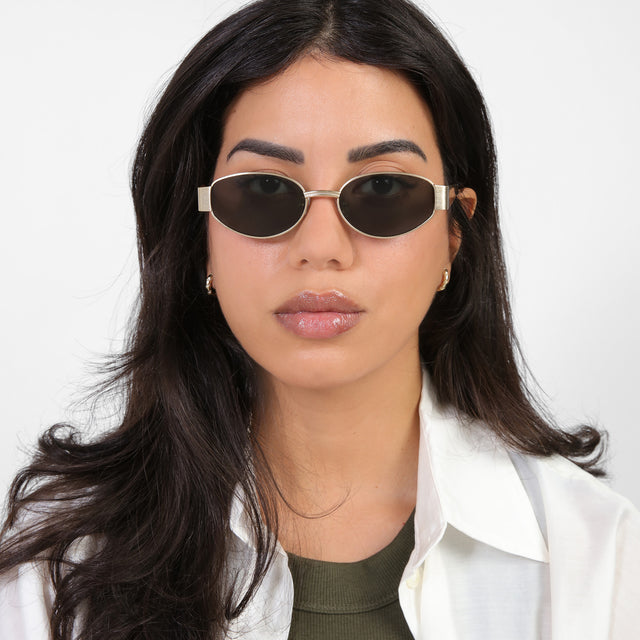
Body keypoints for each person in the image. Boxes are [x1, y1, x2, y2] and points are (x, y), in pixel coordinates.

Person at [1, 0, 638, 638]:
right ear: (202, 238)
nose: (321, 247)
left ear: (454, 233)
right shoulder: (55, 571)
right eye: (265, 191)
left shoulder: (600, 560)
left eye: (384, 190)